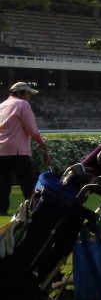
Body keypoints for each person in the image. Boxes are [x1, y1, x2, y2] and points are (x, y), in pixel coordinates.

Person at [0, 82, 50, 216]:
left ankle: (2, 209)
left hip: (1, 149)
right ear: (21, 93)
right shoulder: (22, 104)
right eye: (28, 94)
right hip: (17, 149)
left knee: (3, 182)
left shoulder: (2, 105)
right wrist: (42, 145)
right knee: (27, 181)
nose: (29, 97)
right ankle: (35, 208)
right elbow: (31, 128)